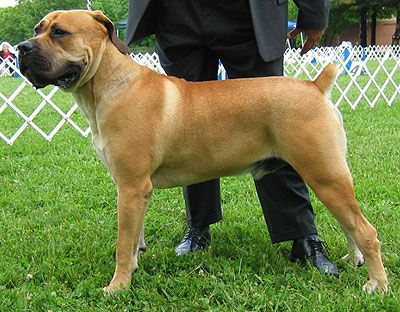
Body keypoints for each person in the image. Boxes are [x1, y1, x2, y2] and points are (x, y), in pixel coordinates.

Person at [125, 0, 338, 276]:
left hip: (249, 13)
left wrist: (314, 11)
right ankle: (198, 227)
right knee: (186, 129)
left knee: (276, 122)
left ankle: (302, 234)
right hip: (176, 13)